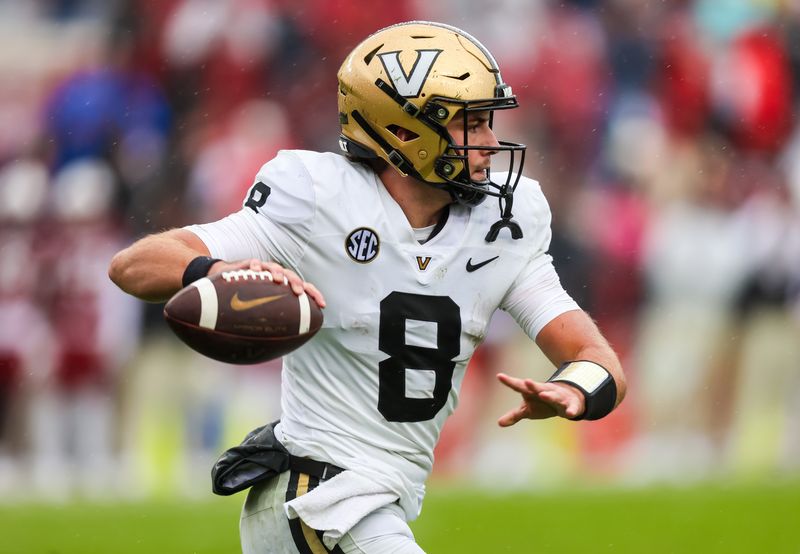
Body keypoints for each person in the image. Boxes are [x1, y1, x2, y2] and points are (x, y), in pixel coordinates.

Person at [109, 20, 626, 554]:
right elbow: (134, 265)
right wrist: (219, 273)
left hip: (375, 504)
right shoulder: (318, 198)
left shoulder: (504, 224)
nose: (492, 144)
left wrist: (577, 391)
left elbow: (594, 357)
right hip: (315, 496)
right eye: (471, 124)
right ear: (404, 132)